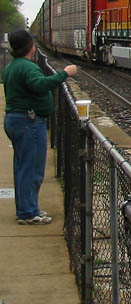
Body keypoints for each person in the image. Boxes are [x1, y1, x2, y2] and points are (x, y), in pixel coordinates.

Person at [3, 29, 77, 224]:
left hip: (16, 120)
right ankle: (28, 212)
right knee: (32, 169)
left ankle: (26, 208)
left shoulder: (12, 67)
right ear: (30, 46)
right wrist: (64, 74)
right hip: (28, 123)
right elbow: (40, 85)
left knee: (22, 167)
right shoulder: (27, 68)